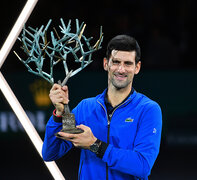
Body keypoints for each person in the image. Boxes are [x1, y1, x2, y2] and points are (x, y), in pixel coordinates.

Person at [42, 35, 162, 180]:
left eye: (128, 63)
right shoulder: (85, 107)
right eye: (116, 62)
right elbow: (50, 153)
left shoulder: (148, 110)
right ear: (106, 64)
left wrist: (95, 145)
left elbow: (142, 166)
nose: (121, 69)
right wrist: (60, 113)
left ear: (137, 67)